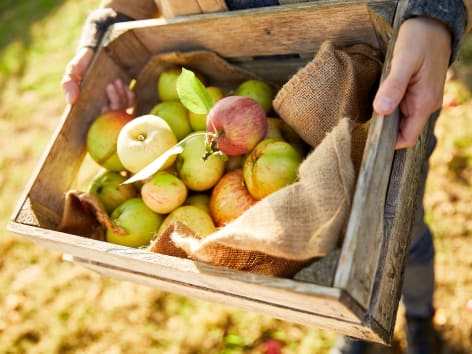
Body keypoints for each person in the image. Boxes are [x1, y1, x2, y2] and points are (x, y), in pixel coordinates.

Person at [61, 1, 470, 353]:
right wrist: (109, 21)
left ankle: (418, 314)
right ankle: (353, 326)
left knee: (402, 229)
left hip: (372, 68)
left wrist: (437, 11)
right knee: (328, 259)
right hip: (229, 74)